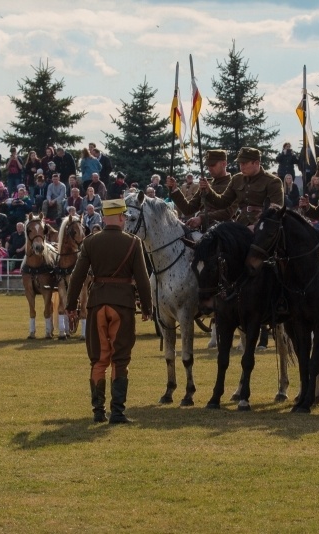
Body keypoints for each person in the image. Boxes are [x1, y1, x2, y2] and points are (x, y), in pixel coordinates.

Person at [65, 198, 152, 424]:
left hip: (97, 304)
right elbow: (142, 279)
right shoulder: (133, 243)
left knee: (99, 360)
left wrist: (71, 306)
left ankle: (97, 411)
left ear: (103, 218)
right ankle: (117, 412)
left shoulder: (91, 242)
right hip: (122, 305)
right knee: (120, 360)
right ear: (122, 217)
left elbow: (77, 277)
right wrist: (147, 307)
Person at [198, 147, 284, 229]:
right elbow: (223, 202)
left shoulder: (272, 181)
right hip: (241, 223)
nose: (241, 166)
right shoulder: (237, 179)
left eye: (245, 163)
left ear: (256, 163)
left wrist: (257, 226)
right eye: (240, 163)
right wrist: (208, 191)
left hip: (263, 227)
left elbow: (275, 212)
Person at [167, 150, 237, 231]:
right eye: (208, 166)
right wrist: (175, 189)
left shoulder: (234, 184)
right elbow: (188, 209)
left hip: (221, 231)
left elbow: (228, 213)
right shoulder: (207, 183)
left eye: (213, 165)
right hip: (200, 229)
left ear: (224, 164)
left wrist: (201, 219)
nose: (209, 168)